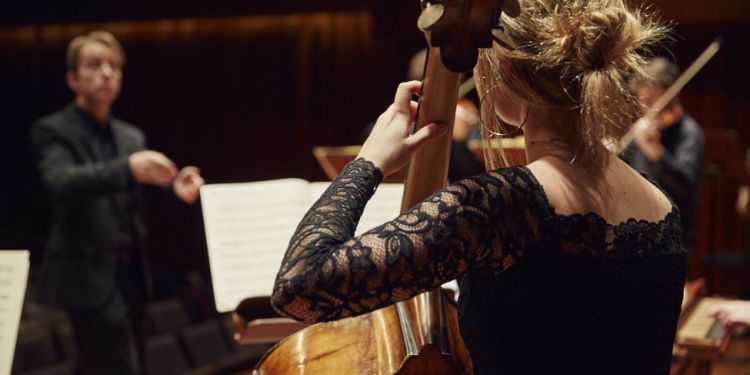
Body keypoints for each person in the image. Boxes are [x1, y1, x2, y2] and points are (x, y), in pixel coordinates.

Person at [270, 1, 685, 373]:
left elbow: (300, 288)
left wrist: (370, 160)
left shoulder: (500, 206)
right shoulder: (663, 207)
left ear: (505, 70)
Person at [30, 31, 204, 374]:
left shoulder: (130, 136)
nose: (107, 73)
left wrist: (173, 189)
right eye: (95, 65)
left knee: (113, 362)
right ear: (73, 78)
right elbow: (61, 182)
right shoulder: (51, 131)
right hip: (88, 274)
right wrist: (128, 167)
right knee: (121, 367)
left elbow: (138, 193)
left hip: (131, 273)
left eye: (114, 66)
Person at [623, 57, 705, 252]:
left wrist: (656, 153)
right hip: (638, 227)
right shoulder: (642, 132)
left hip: (674, 235)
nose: (646, 109)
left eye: (652, 101)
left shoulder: (689, 132)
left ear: (674, 94)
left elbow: (685, 185)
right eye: (642, 102)